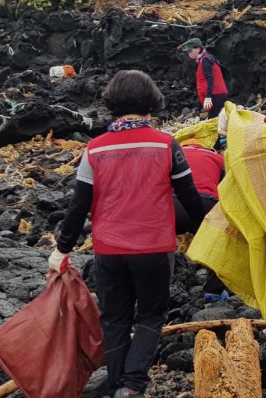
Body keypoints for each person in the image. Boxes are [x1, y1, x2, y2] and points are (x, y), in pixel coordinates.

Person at [51, 70, 208, 398]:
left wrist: (62, 250)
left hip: (109, 250)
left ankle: (115, 387)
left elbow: (78, 206)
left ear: (112, 103)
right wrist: (213, 230)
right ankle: (133, 384)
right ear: (152, 102)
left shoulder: (94, 149)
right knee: (152, 316)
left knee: (114, 320)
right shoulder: (166, 144)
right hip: (153, 247)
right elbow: (191, 198)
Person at [175, 139, 230, 301]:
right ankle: (214, 292)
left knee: (158, 246)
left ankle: (156, 291)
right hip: (206, 202)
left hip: (171, 203)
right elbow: (225, 189)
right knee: (219, 243)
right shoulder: (217, 158)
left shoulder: (172, 154)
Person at [179, 38, 228, 119]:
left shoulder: (206, 60)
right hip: (217, 95)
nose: (189, 54)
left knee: (213, 122)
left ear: (198, 49)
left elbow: (210, 79)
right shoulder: (206, 58)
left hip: (216, 95)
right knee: (216, 121)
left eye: (190, 51)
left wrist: (208, 97)